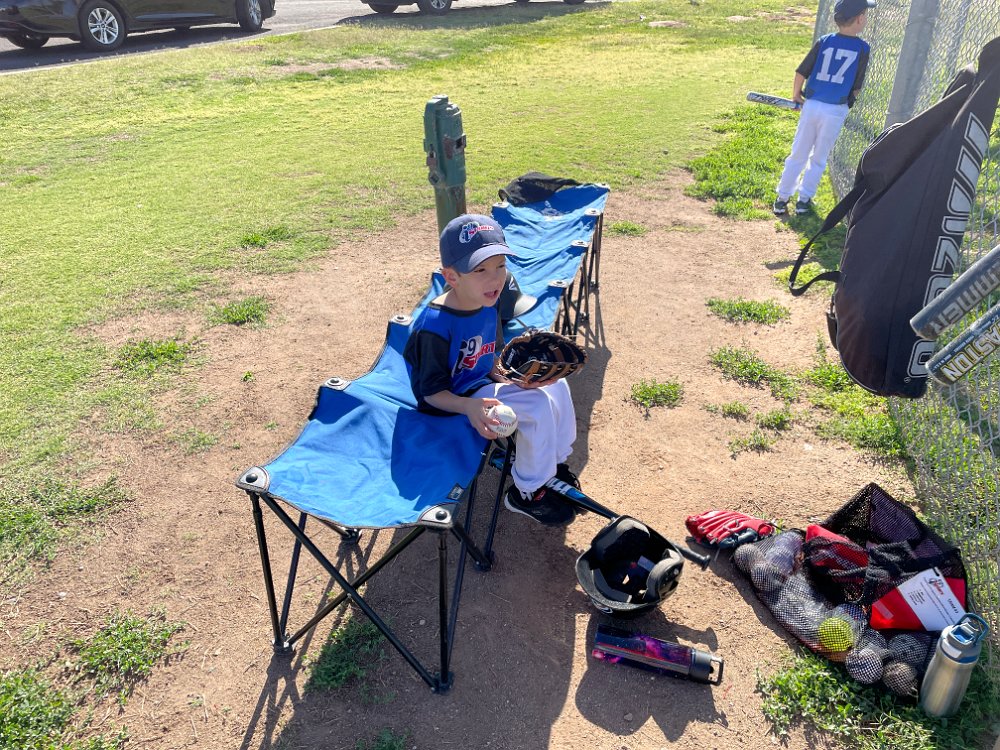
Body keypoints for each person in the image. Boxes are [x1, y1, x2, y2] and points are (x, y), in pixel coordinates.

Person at [403, 214, 579, 526]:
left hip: (480, 383)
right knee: (536, 406)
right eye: (480, 270)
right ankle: (527, 491)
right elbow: (430, 393)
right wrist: (468, 406)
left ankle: (553, 464)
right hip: (453, 400)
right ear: (452, 277)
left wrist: (513, 378)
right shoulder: (434, 327)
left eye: (500, 265)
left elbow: (490, 354)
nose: (495, 279)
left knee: (555, 385)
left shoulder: (488, 302)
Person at [773, 0, 874, 216]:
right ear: (859, 19)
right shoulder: (863, 48)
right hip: (835, 109)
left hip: (812, 105)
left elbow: (801, 72)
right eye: (865, 14)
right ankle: (803, 200)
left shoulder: (824, 41)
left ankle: (782, 198)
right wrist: (847, 104)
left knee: (798, 152)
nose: (865, 18)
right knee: (819, 157)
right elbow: (857, 87)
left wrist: (796, 95)